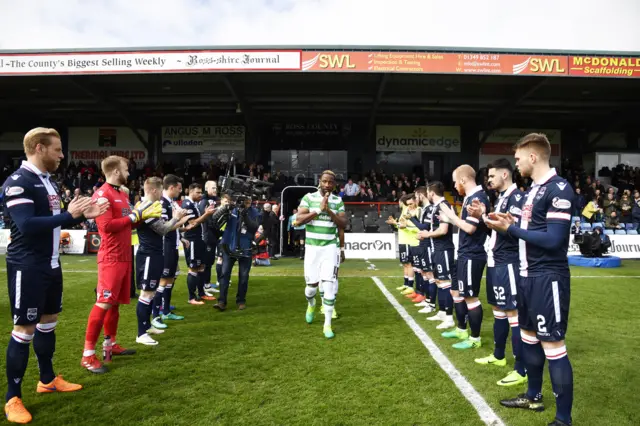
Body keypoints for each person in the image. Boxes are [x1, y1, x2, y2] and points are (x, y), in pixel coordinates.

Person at [2, 127, 108, 424]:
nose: (62, 156)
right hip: (28, 265)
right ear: (39, 148)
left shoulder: (47, 182)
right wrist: (71, 215)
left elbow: (54, 220)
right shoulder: (18, 182)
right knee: (24, 330)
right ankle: (12, 398)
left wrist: (85, 212)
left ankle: (47, 379)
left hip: (50, 263)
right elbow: (27, 225)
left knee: (48, 323)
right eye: (57, 150)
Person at [485, 133, 574, 426]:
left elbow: (553, 239)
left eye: (519, 158)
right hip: (525, 276)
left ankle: (563, 420)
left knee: (553, 346)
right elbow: (528, 230)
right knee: (529, 340)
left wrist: (512, 231)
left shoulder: (559, 188)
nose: (517, 163)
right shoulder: (534, 189)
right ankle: (533, 396)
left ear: (533, 158)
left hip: (547, 278)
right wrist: (506, 225)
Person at [81, 155, 163, 374]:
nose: (129, 173)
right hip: (111, 257)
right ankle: (88, 355)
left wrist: (142, 215)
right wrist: (136, 215)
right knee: (104, 302)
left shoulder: (120, 195)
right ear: (116, 171)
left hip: (125, 255)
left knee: (114, 304)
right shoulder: (103, 195)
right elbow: (107, 226)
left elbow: (128, 222)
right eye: (126, 169)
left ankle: (110, 345)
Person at [468, 159, 527, 387]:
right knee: (498, 310)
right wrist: (484, 214)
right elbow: (497, 225)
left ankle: (520, 369)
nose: (489, 179)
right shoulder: (500, 198)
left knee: (513, 315)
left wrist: (485, 216)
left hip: (508, 262)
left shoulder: (516, 197)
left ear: (505, 174)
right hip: (495, 261)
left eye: (492, 176)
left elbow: (510, 230)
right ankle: (499, 356)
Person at [438, 165, 491, 350]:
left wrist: (451, 217)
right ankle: (461, 329)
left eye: (454, 181)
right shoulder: (470, 197)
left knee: (470, 297)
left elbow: (470, 228)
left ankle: (475, 339)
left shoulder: (477, 198)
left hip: (472, 254)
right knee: (456, 292)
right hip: (464, 253)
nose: (454, 186)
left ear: (462, 180)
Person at [135, 177, 189, 346]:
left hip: (155, 253)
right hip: (149, 254)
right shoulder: (146, 207)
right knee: (146, 293)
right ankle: (141, 333)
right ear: (153, 190)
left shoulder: (150, 206)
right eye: (159, 191)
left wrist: (176, 221)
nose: (161, 194)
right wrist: (177, 218)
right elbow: (163, 229)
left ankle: (148, 326)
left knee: (150, 292)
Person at [296, 171, 347, 339]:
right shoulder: (309, 198)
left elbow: (343, 224)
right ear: (320, 181)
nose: (327, 185)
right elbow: (299, 219)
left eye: (330, 182)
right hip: (312, 248)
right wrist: (319, 210)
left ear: (334, 184)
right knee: (311, 287)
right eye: (324, 181)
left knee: (329, 285)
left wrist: (329, 211)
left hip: (330, 248)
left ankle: (327, 325)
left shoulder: (337, 200)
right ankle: (311, 305)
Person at [417, 182, 456, 330]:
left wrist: (428, 234)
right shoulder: (436, 207)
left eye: (428, 193)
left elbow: (444, 229)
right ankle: (441, 312)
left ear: (431, 193)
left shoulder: (444, 206)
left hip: (444, 249)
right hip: (436, 248)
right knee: (439, 281)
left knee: (445, 282)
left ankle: (449, 317)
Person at [213, 196, 262, 311]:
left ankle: (241, 301)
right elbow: (216, 222)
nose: (246, 203)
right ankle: (221, 301)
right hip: (229, 245)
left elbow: (253, 227)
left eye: (248, 200)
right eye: (244, 200)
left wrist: (244, 214)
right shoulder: (231, 209)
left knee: (244, 276)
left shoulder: (255, 212)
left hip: (246, 247)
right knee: (224, 274)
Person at [150, 174, 186, 329]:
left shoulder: (170, 202)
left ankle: (165, 310)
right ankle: (155, 315)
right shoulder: (162, 203)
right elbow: (165, 227)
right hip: (165, 246)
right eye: (179, 188)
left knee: (170, 278)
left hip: (173, 244)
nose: (180, 191)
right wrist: (180, 220)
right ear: (171, 187)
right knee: (163, 280)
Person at [180, 183, 216, 305]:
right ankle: (191, 297)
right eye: (198, 192)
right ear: (190, 192)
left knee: (201, 267)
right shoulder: (187, 204)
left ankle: (201, 293)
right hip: (192, 240)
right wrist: (206, 214)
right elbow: (192, 223)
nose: (200, 195)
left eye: (201, 192)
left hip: (199, 239)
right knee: (193, 268)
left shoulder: (194, 204)